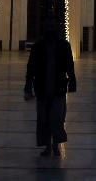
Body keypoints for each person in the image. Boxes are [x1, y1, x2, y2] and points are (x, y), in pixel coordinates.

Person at [24, 20, 76, 156]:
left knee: (57, 118)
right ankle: (48, 146)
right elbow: (31, 68)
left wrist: (72, 83)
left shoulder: (63, 46)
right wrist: (28, 87)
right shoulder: (38, 46)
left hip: (57, 88)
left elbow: (70, 66)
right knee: (44, 119)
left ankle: (55, 145)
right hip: (42, 88)